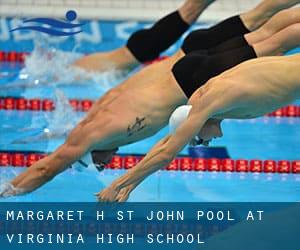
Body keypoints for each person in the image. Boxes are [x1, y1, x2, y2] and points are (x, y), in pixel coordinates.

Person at [1, 0, 300, 198]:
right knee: (270, 28)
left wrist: (8, 191)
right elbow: (67, 139)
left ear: (89, 150)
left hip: (192, 78)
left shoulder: (95, 133)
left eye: (94, 162)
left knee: (276, 38)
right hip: (187, 55)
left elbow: (46, 167)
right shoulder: (100, 108)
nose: (104, 165)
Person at [97, 53, 300, 202]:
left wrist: (116, 184)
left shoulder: (212, 100)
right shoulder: (200, 101)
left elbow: (167, 154)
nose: (207, 143)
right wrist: (130, 186)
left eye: (199, 140)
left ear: (197, 124)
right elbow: (169, 141)